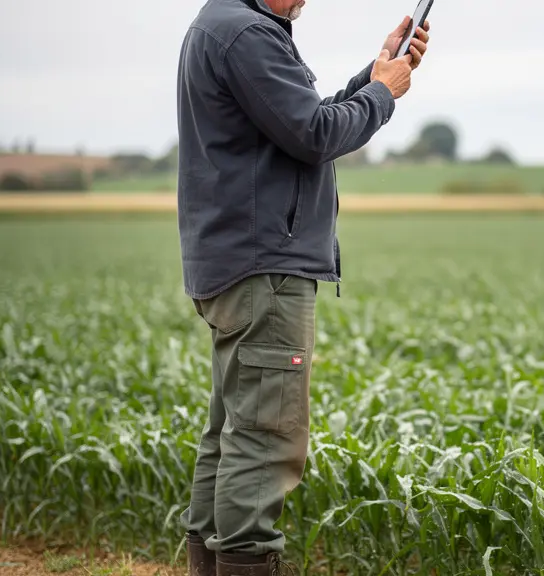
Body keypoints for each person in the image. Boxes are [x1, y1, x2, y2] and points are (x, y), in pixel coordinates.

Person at [173, 0, 430, 574]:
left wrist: (373, 74)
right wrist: (383, 94)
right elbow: (314, 135)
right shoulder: (247, 35)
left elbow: (297, 121)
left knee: (229, 434)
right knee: (264, 441)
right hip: (265, 269)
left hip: (238, 263)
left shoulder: (223, 25)